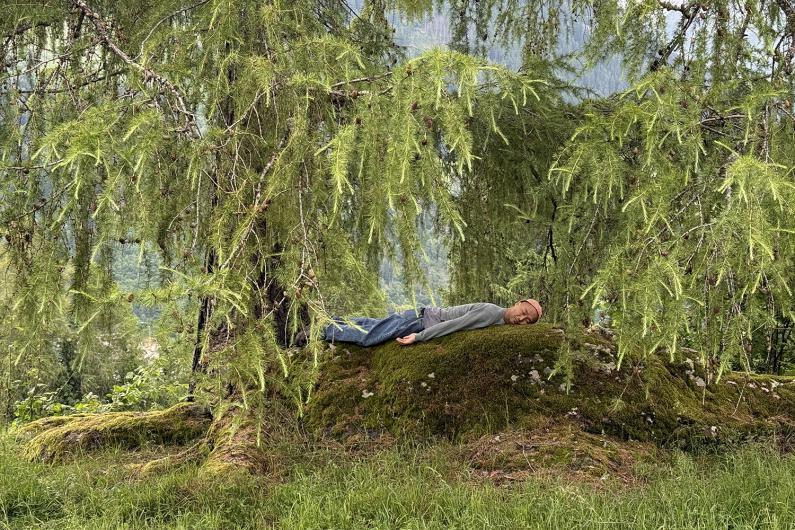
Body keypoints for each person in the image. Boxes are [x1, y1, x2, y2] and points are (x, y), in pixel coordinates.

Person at [321, 299, 543, 347]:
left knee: (371, 324)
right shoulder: (491, 313)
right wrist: (418, 337)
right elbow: (453, 325)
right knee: (370, 338)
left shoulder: (498, 323)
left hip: (421, 315)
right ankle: (322, 330)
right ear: (517, 303)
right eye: (523, 311)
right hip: (420, 321)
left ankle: (330, 321)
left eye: (527, 320)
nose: (522, 318)